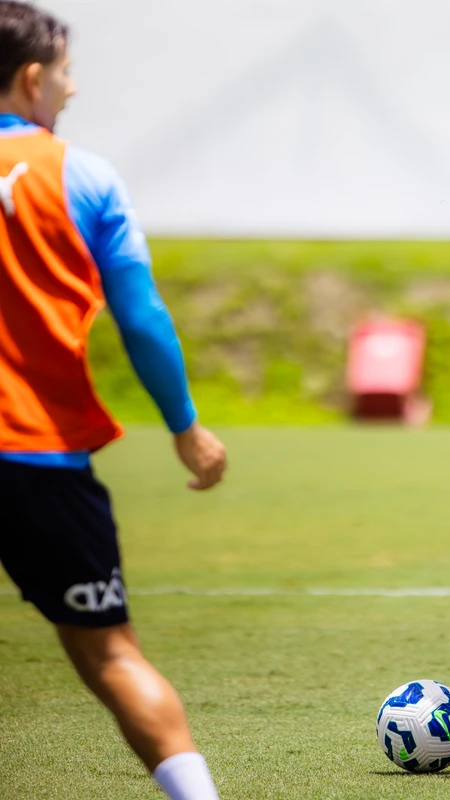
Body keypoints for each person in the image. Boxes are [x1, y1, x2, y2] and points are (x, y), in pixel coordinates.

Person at [0, 4, 227, 798]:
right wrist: (186, 428)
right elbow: (142, 318)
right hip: (34, 454)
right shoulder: (82, 176)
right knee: (111, 656)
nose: (72, 85)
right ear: (32, 77)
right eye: (63, 70)